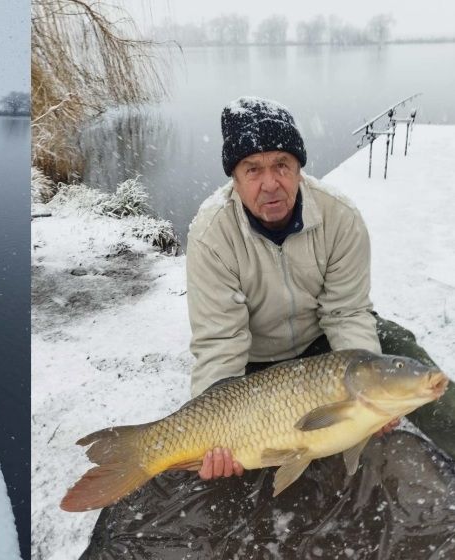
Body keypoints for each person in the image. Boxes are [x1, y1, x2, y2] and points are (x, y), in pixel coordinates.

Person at [185, 96, 453, 480]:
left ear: (299, 168)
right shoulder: (212, 235)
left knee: (399, 347)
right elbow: (219, 340)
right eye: (253, 169)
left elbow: (346, 312)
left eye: (282, 165)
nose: (270, 183)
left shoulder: (338, 216)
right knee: (231, 446)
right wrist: (213, 418)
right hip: (253, 360)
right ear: (235, 178)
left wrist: (366, 402)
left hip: (324, 348)